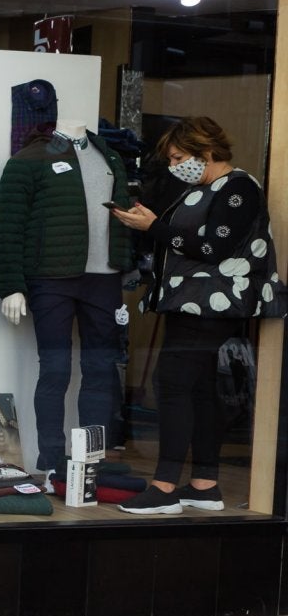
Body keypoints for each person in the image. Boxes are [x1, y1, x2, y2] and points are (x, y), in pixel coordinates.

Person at [112, 116, 285, 514]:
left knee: (171, 382)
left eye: (179, 157)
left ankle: (165, 486)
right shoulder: (205, 188)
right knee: (201, 388)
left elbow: (213, 249)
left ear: (205, 151)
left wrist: (154, 226)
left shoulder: (238, 187)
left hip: (211, 303)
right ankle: (204, 485)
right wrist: (150, 225)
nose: (175, 166)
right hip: (194, 300)